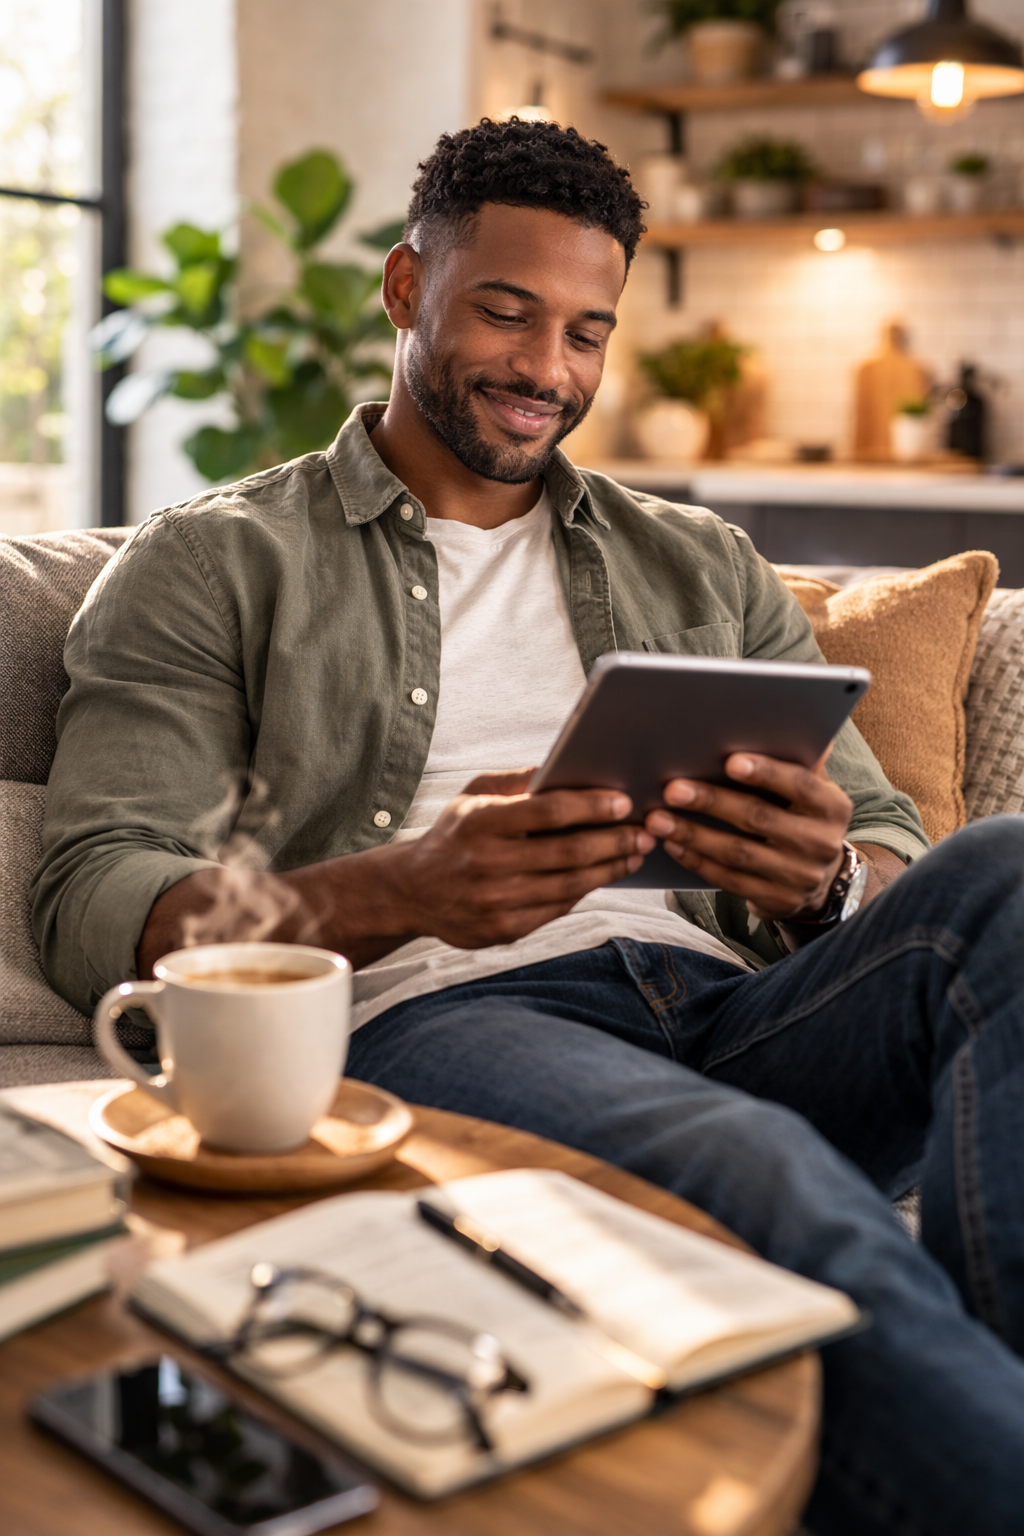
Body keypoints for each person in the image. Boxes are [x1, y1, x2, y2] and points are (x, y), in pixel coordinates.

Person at [34, 119, 1024, 1534]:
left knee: (1007, 874)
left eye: (586, 331)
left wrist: (823, 886)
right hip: (448, 1023)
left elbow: (881, 838)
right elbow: (94, 891)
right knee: (765, 1180)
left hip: (723, 999)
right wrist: (404, 890)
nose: (546, 371)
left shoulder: (701, 561)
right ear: (403, 288)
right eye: (506, 311)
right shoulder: (214, 561)